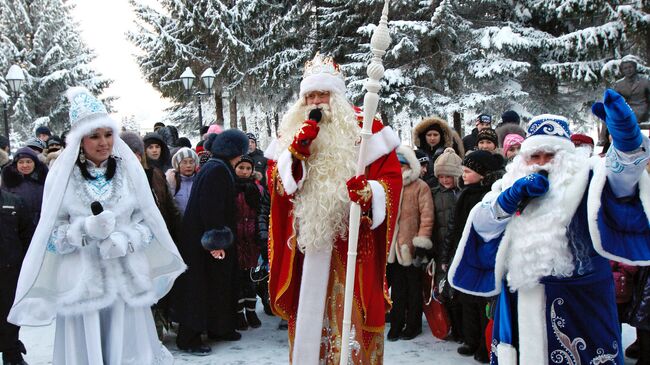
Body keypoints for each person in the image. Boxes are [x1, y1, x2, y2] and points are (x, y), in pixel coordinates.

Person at [448, 89, 650, 364]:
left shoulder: (588, 178)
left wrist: (626, 140)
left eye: (550, 155)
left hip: (581, 305)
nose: (542, 163)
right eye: (535, 156)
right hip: (520, 305)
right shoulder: (510, 183)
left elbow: (623, 183)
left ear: (568, 156)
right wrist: (507, 202)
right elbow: (482, 226)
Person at [7, 87, 186, 364]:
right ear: (80, 140)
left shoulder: (129, 173)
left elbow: (148, 223)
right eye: (94, 136)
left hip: (125, 286)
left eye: (107, 134)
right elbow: (50, 236)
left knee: (130, 352)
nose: (103, 142)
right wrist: (84, 231)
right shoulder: (62, 177)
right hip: (82, 288)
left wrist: (125, 240)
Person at [265, 53, 402, 364]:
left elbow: (392, 180)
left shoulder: (366, 129)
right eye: (310, 95)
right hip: (306, 243)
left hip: (352, 238)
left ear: (336, 95)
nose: (316, 101)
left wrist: (371, 192)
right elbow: (279, 186)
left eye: (322, 93)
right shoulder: (290, 130)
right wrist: (295, 157)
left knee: (352, 320)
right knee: (308, 324)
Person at [172, 129, 249, 355]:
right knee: (200, 287)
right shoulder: (217, 170)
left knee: (218, 284)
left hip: (203, 238)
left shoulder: (216, 166)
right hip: (203, 242)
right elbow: (211, 207)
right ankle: (189, 338)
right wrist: (216, 242)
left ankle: (219, 327)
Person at [442, 150, 503, 363]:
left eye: (468, 171)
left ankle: (483, 346)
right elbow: (455, 227)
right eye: (463, 171)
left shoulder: (489, 198)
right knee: (465, 298)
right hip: (463, 253)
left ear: (482, 174)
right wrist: (447, 255)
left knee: (482, 303)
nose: (464, 175)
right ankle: (470, 339)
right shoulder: (465, 194)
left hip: (482, 257)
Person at [386, 146, 433, 342]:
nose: (400, 169)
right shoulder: (389, 186)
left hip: (410, 247)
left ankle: (413, 325)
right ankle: (396, 323)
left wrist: (421, 241)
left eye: (402, 165)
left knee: (414, 289)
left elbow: (427, 216)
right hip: (393, 248)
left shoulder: (420, 187)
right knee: (396, 289)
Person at [430, 147, 463, 340]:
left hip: (456, 247)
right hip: (439, 247)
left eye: (448, 176)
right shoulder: (434, 193)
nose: (444, 180)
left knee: (457, 289)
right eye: (441, 176)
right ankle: (447, 323)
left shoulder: (462, 194)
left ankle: (461, 328)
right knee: (442, 289)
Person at [232, 156, 268, 330]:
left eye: (248, 168)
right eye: (241, 168)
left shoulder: (257, 188)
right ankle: (239, 314)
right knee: (237, 278)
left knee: (251, 278)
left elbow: (261, 211)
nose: (245, 171)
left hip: (252, 239)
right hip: (236, 239)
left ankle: (251, 311)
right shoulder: (230, 187)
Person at [0, 188, 34, 365]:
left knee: (10, 314)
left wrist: (27, 264)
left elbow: (27, 235)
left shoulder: (14, 202)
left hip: (10, 270)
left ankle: (11, 353)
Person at [1, 147, 48, 227]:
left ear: (35, 163)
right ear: (16, 164)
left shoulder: (44, 180)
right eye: (21, 162)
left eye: (29, 162)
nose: (25, 165)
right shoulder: (8, 182)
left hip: (42, 225)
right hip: (17, 226)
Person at [413, 116, 465, 188]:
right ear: (424, 136)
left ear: (441, 136)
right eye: (429, 135)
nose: (432, 138)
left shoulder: (448, 153)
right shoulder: (418, 154)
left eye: (435, 135)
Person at [166, 147, 200, 216]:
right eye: (184, 162)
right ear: (178, 165)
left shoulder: (200, 181)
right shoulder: (171, 182)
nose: (188, 166)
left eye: (191, 162)